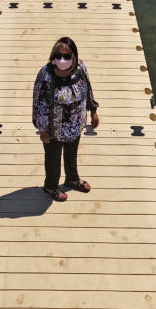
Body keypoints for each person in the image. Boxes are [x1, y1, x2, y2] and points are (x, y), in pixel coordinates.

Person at [32, 37, 99, 201]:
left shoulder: (80, 68)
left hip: (76, 124)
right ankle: (51, 186)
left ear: (74, 56)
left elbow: (88, 89)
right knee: (53, 159)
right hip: (54, 128)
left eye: (66, 56)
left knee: (71, 154)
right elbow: (39, 104)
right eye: (58, 55)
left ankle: (72, 179)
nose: (62, 60)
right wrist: (43, 130)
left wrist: (93, 111)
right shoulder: (45, 75)